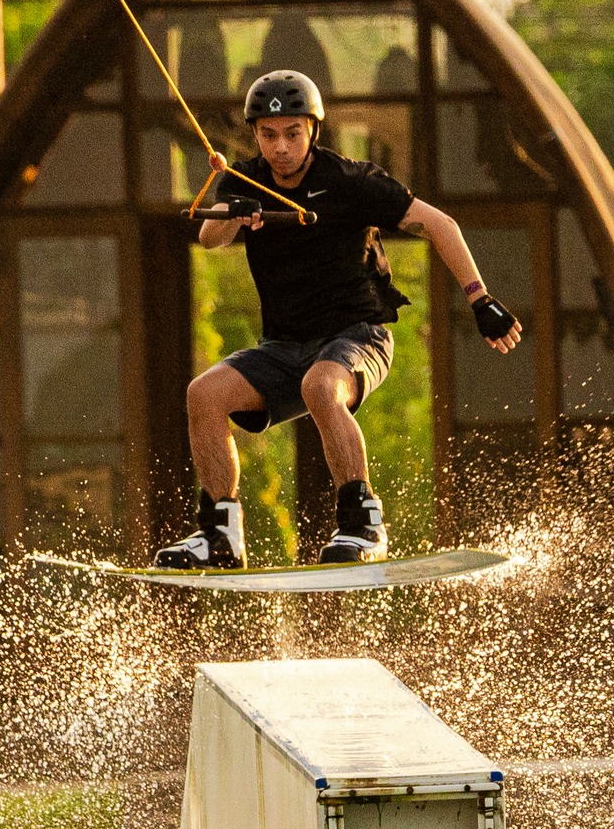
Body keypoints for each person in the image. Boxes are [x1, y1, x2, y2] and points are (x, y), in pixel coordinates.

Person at [155, 69, 523, 569]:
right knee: (205, 393)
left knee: (321, 387)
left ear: (313, 131)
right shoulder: (245, 179)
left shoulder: (351, 180)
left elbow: (440, 224)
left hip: (357, 335)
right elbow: (208, 239)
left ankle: (362, 522)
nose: (280, 148)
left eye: (292, 134)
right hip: (283, 346)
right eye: (268, 135)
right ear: (255, 134)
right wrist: (235, 217)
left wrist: (481, 300)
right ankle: (221, 534)